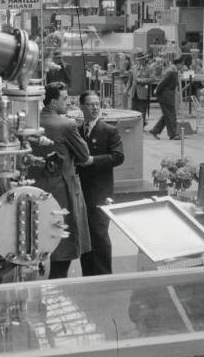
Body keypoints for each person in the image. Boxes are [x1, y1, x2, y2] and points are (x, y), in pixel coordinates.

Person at [27, 82, 93, 279]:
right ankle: (57, 287)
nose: (68, 102)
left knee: (34, 239)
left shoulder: (31, 122)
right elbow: (83, 155)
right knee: (63, 246)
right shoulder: (67, 124)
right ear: (53, 101)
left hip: (34, 190)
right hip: (62, 193)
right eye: (64, 99)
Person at [77, 90, 124, 275]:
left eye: (98, 104)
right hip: (81, 190)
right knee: (85, 233)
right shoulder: (78, 130)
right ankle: (87, 274)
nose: (95, 107)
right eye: (90, 104)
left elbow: (118, 157)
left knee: (99, 233)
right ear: (82, 107)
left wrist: (93, 161)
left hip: (100, 191)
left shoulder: (109, 131)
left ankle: (104, 275)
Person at [149, 56, 184, 140]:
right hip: (165, 96)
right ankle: (173, 134)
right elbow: (162, 83)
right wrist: (157, 91)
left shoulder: (173, 70)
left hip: (168, 95)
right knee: (170, 115)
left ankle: (155, 130)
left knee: (167, 115)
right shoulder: (171, 71)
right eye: (182, 64)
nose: (182, 66)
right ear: (178, 64)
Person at [125, 54, 153, 127]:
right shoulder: (133, 68)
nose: (140, 61)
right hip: (134, 93)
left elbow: (152, 79)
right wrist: (127, 89)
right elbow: (130, 80)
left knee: (142, 111)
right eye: (139, 59)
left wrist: (141, 80)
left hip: (143, 93)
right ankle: (134, 126)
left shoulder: (149, 68)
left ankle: (141, 127)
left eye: (142, 59)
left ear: (144, 60)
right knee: (133, 110)